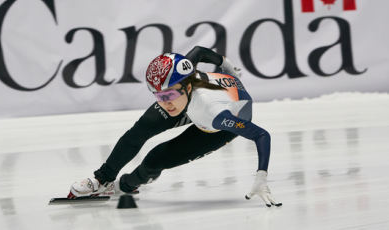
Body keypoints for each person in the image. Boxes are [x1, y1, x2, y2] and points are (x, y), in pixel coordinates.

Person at [69, 46, 282, 207]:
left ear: (188, 86)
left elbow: (261, 135)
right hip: (196, 98)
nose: (164, 102)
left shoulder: (214, 113)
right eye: (159, 96)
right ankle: (102, 179)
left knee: (155, 160)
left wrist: (261, 176)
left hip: (222, 121)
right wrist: (224, 62)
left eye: (169, 95)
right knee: (141, 129)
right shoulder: (178, 82)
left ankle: (127, 185)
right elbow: (198, 52)